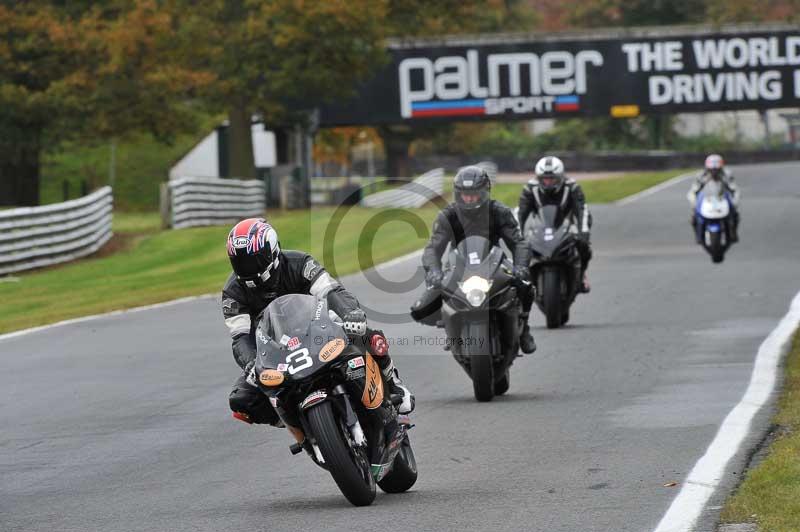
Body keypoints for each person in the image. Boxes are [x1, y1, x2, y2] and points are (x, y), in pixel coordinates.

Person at [223, 218, 414, 426]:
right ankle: (300, 427)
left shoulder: (300, 263)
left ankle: (393, 383)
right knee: (242, 400)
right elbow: (240, 337)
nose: (247, 267)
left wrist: (350, 314)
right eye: (239, 261)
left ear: (272, 251)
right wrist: (250, 362)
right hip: (275, 351)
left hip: (319, 328)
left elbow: (331, 291)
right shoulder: (232, 292)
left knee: (368, 336)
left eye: (253, 260)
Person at [416, 165, 537, 354]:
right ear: (458, 194)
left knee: (525, 284)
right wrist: (434, 271)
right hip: (458, 265)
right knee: (422, 307)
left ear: (484, 192)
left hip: (494, 262)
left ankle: (524, 330)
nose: (470, 198)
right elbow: (433, 248)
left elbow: (519, 243)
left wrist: (521, 266)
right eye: (465, 194)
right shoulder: (448, 215)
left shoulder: (499, 212)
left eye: (474, 194)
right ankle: (452, 328)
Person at [518, 155, 592, 294]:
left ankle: (581, 275)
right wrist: (518, 235)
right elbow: (520, 213)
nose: (548, 183)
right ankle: (524, 280)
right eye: (544, 179)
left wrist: (584, 232)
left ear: (560, 177)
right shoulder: (530, 188)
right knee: (523, 248)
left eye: (552, 179)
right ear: (538, 178)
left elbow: (583, 211)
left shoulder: (573, 187)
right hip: (539, 227)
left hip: (568, 226)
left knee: (584, 246)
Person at [687, 154, 740, 243]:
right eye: (712, 169)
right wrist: (694, 203)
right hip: (706, 200)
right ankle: (698, 234)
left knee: (735, 214)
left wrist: (735, 202)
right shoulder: (701, 176)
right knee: (694, 216)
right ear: (707, 168)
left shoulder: (726, 175)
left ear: (721, 168)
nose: (714, 172)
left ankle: (733, 233)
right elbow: (692, 191)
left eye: (716, 169)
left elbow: (734, 189)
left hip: (722, 199)